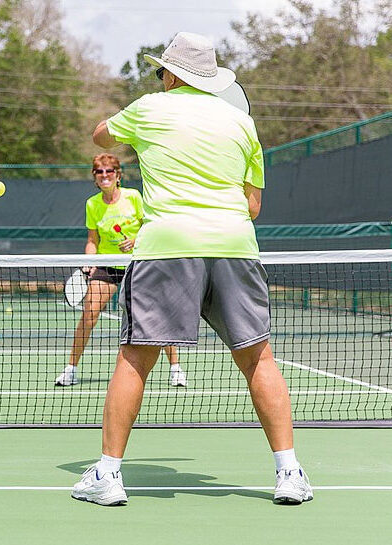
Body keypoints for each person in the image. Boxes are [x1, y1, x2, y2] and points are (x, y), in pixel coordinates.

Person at [71, 32, 312, 507]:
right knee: (259, 358)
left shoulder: (148, 108)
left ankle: (108, 475)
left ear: (174, 74)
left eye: (162, 71)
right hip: (234, 247)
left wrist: (137, 127)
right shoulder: (242, 124)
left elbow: (100, 135)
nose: (159, 78)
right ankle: (290, 472)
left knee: (136, 357)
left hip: (168, 247)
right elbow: (253, 205)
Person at [54, 153, 184, 388]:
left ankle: (175, 368)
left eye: (109, 171)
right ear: (95, 177)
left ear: (118, 175)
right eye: (99, 172)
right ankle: (71, 369)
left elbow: (152, 226)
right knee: (89, 314)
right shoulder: (92, 204)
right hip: (107, 266)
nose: (105, 176)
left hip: (138, 264)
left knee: (157, 316)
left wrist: (135, 240)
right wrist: (88, 261)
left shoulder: (133, 197)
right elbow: (92, 239)